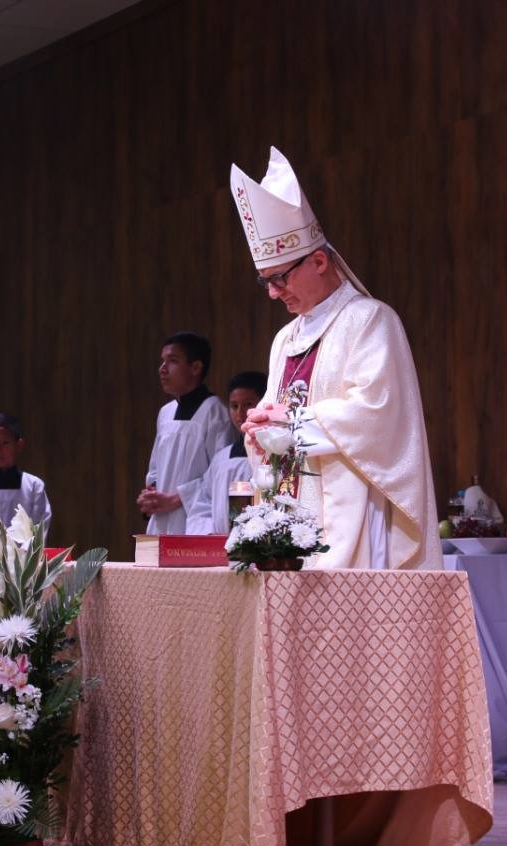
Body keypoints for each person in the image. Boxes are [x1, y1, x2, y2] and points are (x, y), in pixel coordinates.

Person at [231, 147, 440, 569]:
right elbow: (279, 425)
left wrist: (290, 422)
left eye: (279, 279)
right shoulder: (285, 339)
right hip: (289, 512)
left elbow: (379, 413)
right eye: (265, 282)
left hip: (354, 512)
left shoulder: (370, 320)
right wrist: (261, 429)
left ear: (320, 261)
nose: (273, 293)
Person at [137, 332, 235, 534]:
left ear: (195, 367)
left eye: (172, 361)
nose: (162, 369)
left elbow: (219, 477)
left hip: (195, 522)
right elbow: (155, 469)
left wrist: (177, 498)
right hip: (161, 520)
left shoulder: (215, 413)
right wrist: (152, 494)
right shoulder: (166, 412)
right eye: (162, 361)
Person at [184, 370, 267, 534]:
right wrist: (207, 533)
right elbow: (202, 505)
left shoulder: (275, 455)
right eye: (234, 406)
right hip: (219, 551)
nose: (240, 414)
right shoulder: (222, 459)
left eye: (248, 404)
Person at [0, 412, 52, 536]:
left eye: (5, 443)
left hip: (23, 554)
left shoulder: (33, 486)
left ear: (18, 445)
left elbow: (39, 530)